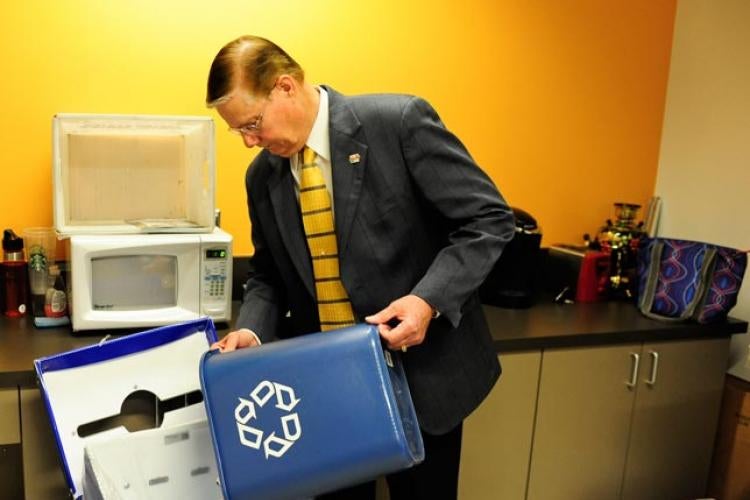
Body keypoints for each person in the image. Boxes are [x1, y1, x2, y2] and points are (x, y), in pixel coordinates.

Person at [205, 35, 515, 500]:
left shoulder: (397, 123)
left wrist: (426, 300)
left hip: (422, 378)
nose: (250, 142)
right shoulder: (263, 176)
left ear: (285, 87)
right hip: (329, 389)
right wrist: (252, 332)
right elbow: (269, 274)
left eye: (252, 123)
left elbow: (488, 218)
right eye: (240, 132)